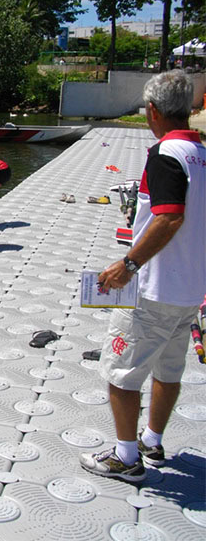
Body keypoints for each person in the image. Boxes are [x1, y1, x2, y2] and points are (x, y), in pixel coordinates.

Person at [79, 70, 206, 482]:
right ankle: (152, 440)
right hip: (189, 290)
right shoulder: (201, 155)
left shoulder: (165, 154)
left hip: (154, 288)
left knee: (121, 371)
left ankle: (126, 457)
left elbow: (169, 218)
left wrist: (128, 264)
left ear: (152, 111)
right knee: (170, 371)